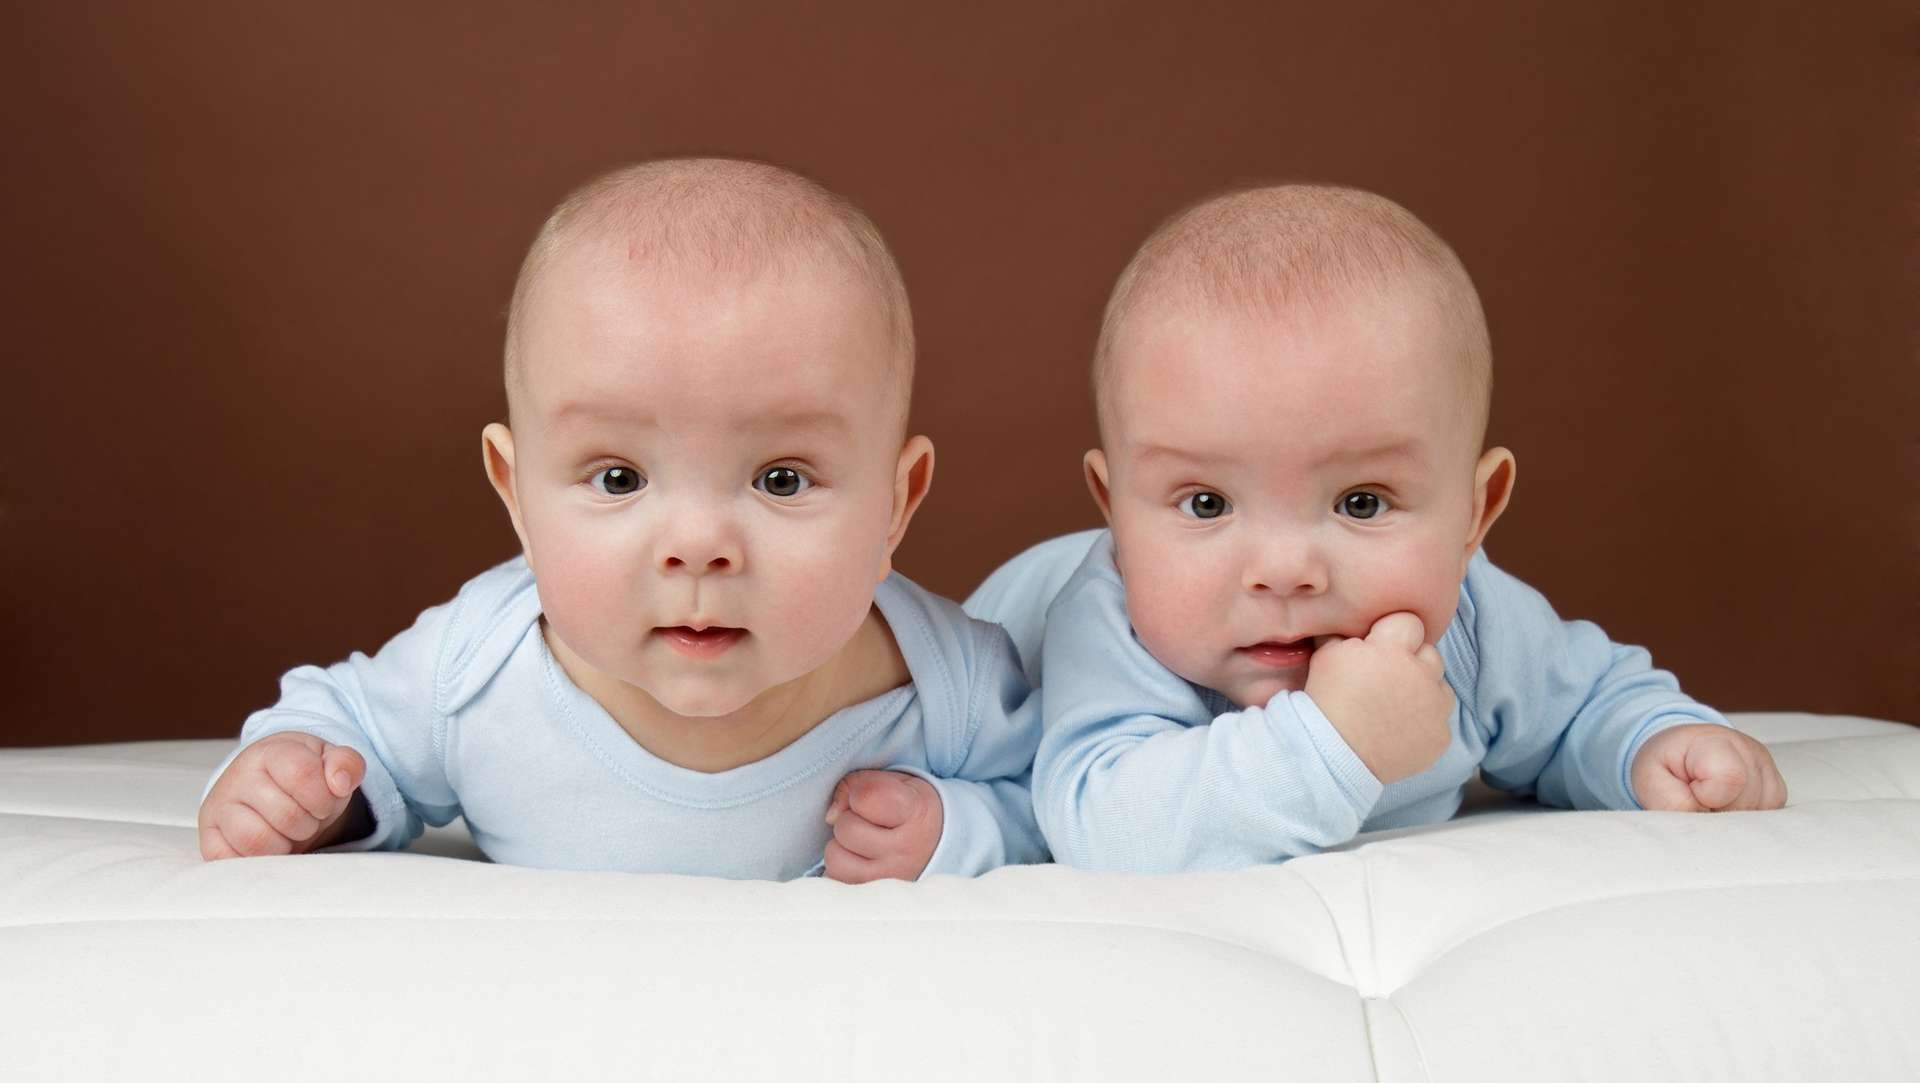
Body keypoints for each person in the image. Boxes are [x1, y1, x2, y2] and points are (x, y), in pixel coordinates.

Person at [198, 157, 1045, 883]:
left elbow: (1054, 801)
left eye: (782, 480)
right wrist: (301, 791)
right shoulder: (477, 668)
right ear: (515, 491)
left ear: (897, 503)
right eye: (619, 477)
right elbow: (345, 730)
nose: (697, 548)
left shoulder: (949, 686)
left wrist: (953, 829)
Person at [1030, 183, 1785, 871]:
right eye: (1206, 504)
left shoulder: (1475, 623)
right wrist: (1336, 743)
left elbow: (1582, 704)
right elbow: (1102, 826)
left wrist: (1651, 742)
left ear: (1473, 514)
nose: (1286, 569)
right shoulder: (1108, 626)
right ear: (1114, 509)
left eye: (1361, 502)